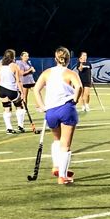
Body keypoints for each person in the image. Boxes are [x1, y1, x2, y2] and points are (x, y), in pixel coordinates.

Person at [32, 46, 85, 185]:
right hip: (66, 109)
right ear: (68, 59)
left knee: (57, 140)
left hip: (51, 111)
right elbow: (79, 87)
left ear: (55, 58)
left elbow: (36, 89)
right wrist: (75, 99)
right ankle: (62, 176)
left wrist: (42, 106)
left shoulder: (47, 72)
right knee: (65, 144)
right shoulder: (70, 73)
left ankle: (57, 166)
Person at [0, 49, 28, 134]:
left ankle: (9, 128)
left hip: (1, 90)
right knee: (19, 107)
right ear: (13, 56)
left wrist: (3, 85)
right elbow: (18, 81)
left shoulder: (0, 64)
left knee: (7, 108)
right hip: (12, 90)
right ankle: (20, 126)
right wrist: (22, 93)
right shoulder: (14, 65)